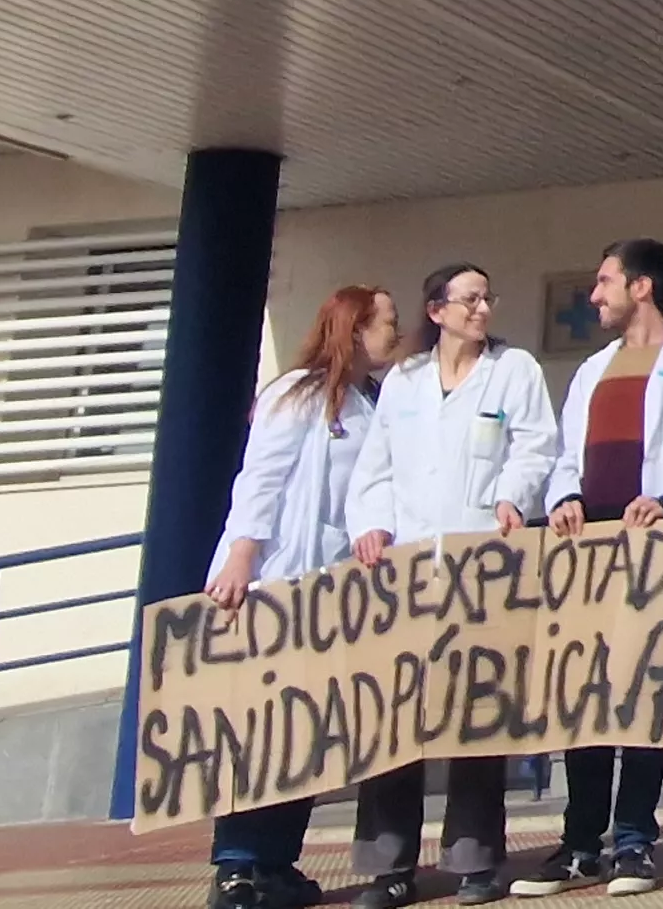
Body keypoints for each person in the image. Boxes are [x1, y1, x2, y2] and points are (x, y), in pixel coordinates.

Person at [523, 241, 663, 898]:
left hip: (657, 549)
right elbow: (569, 456)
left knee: (647, 691)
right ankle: (578, 842)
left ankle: (633, 841)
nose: (595, 296)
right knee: (586, 695)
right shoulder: (593, 369)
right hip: (590, 557)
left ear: (642, 287)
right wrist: (563, 499)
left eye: (604, 282)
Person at [348, 264, 559, 902]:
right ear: (436, 310)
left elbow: (536, 447)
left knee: (475, 712)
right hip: (406, 570)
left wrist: (512, 498)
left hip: (479, 564)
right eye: (469, 300)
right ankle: (390, 867)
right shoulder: (405, 381)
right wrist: (373, 526)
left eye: (487, 298)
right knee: (396, 718)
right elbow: (376, 467)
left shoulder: (514, 369)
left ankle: (474, 859)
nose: (482, 310)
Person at [203, 284, 401, 909]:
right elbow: (258, 478)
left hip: (331, 596)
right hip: (274, 582)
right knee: (256, 729)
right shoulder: (293, 395)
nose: (394, 335)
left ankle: (278, 862)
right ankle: (237, 865)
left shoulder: (370, 407)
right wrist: (241, 553)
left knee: (307, 733)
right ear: (356, 328)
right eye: (387, 322)